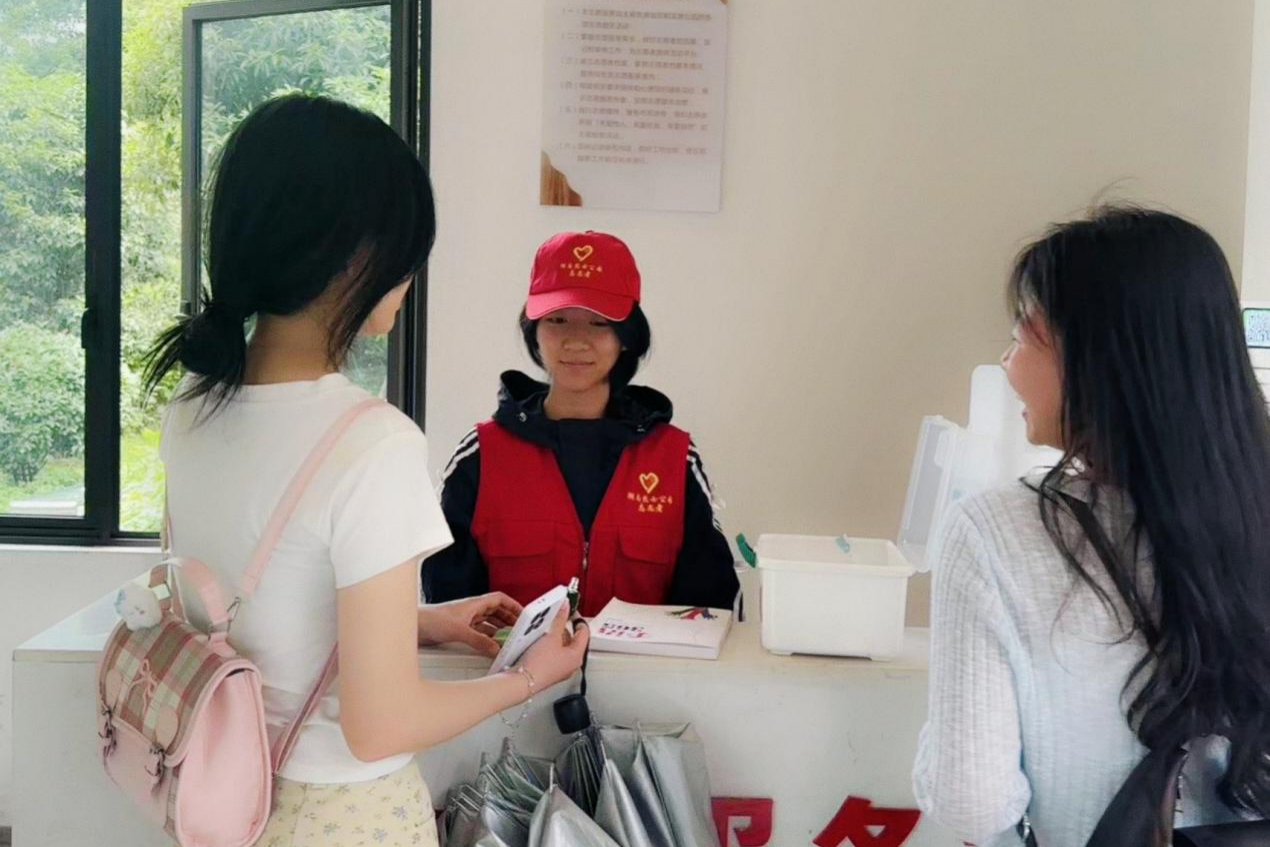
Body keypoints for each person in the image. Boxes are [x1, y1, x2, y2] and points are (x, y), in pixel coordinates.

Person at [144, 94, 587, 847]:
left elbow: (264, 610)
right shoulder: (371, 442)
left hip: (221, 794)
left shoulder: (193, 406)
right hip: (342, 817)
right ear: (357, 256)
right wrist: (527, 678)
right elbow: (381, 724)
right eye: (407, 253)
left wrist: (424, 622)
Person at [913, 207, 1270, 846]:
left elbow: (972, 800)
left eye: (1024, 333)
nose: (1007, 361)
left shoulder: (997, 533)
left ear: (1097, 358)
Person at [423, 231, 739, 616]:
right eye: (557, 320)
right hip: (507, 658)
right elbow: (448, 608)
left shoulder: (674, 458)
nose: (575, 341)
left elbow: (710, 609)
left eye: (598, 323)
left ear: (627, 336)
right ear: (534, 331)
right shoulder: (480, 456)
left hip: (646, 659)